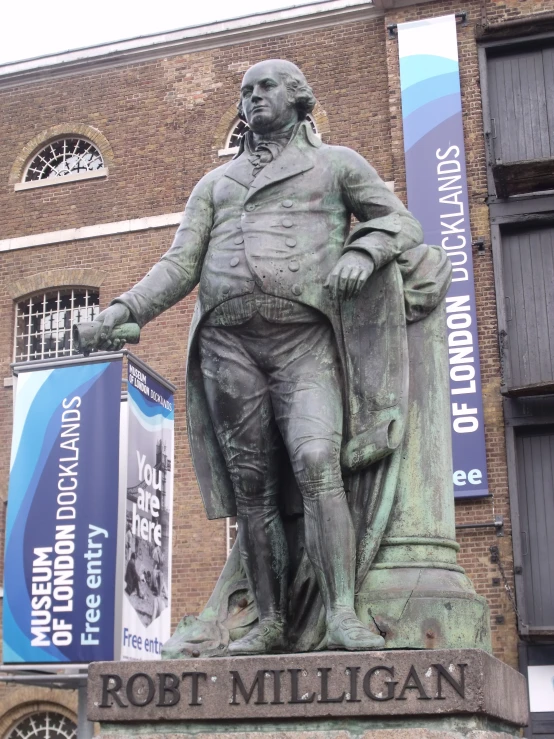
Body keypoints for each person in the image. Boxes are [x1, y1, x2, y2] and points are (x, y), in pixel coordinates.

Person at [94, 59, 424, 655]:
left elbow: (399, 221)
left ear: (300, 99)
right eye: (245, 92)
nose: (253, 99)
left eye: (265, 88)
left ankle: (342, 615)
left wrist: (366, 251)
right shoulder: (216, 184)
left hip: (304, 341)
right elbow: (179, 264)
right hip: (228, 347)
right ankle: (270, 621)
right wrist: (127, 309)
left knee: (318, 460)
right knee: (252, 488)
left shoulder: (337, 164)